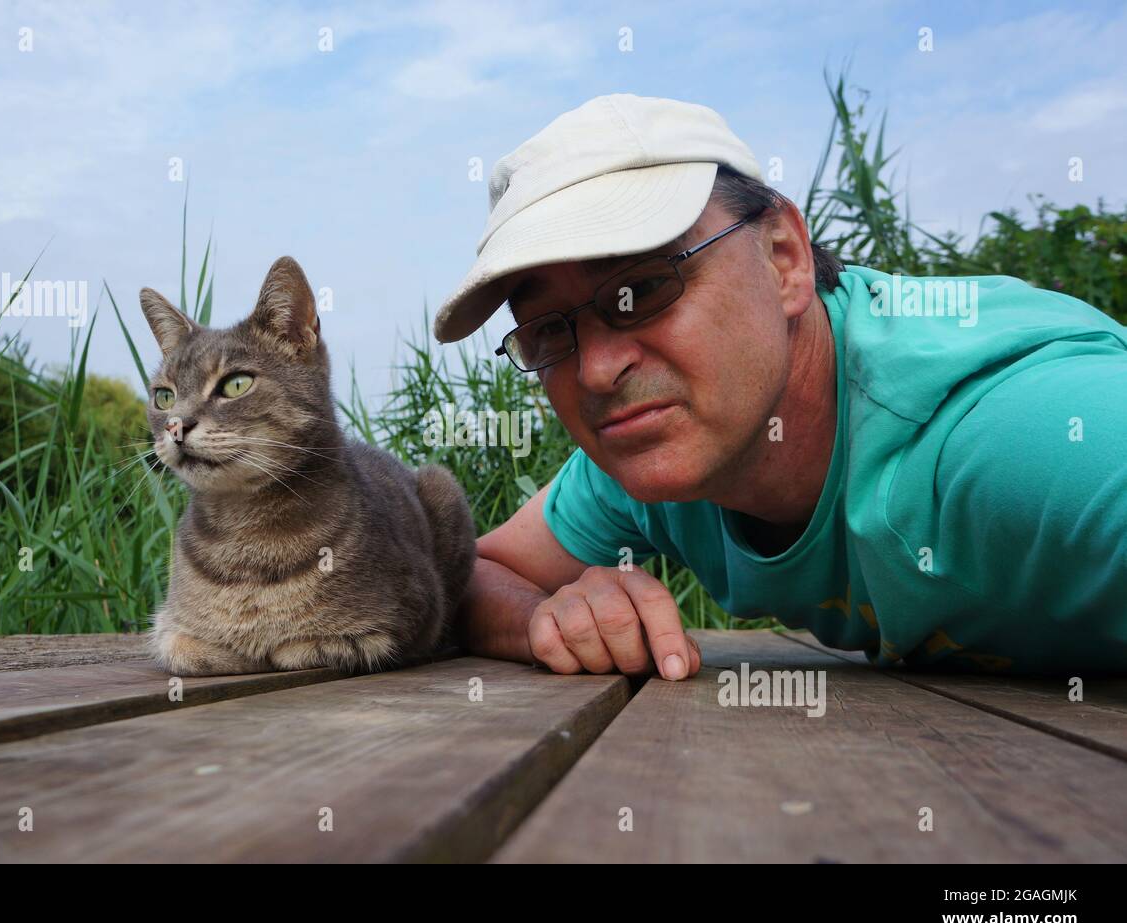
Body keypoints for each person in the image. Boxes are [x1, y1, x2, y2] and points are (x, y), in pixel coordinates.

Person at [432, 93, 1127, 678]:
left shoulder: (1015, 435)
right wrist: (545, 620)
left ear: (784, 260)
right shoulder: (652, 447)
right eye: (550, 331)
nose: (596, 370)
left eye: (640, 288)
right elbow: (470, 572)